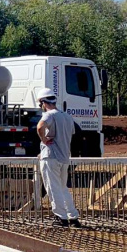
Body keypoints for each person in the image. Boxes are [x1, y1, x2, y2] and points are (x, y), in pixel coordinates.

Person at [36, 88, 80, 227]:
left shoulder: (49, 115)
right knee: (62, 187)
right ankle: (73, 217)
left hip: (51, 157)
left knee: (53, 187)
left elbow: (40, 126)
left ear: (43, 102)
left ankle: (61, 218)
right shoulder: (67, 116)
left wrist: (43, 139)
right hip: (64, 157)